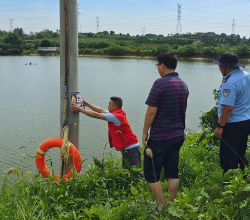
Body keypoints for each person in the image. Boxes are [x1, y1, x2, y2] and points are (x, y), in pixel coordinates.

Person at [142, 52, 189, 206]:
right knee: (172, 171)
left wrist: (144, 133)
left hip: (160, 137)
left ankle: (162, 207)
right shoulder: (183, 83)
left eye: (157, 65)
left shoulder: (160, 83)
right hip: (178, 136)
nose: (157, 68)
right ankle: (171, 204)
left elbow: (151, 111)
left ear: (162, 65)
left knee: (152, 172)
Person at [71, 96, 143, 178]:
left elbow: (96, 115)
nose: (108, 106)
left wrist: (80, 110)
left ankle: (145, 188)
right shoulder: (118, 113)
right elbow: (101, 111)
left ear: (115, 107)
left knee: (136, 173)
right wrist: (87, 104)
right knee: (127, 172)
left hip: (131, 148)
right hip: (128, 147)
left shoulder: (115, 116)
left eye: (109, 105)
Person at [213, 52, 250, 174]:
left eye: (220, 65)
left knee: (228, 158)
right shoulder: (248, 76)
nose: (219, 68)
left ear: (227, 66)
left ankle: (229, 187)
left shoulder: (229, 82)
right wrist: (244, 104)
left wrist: (220, 127)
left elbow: (228, 108)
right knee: (240, 153)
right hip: (247, 121)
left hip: (233, 125)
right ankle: (243, 180)